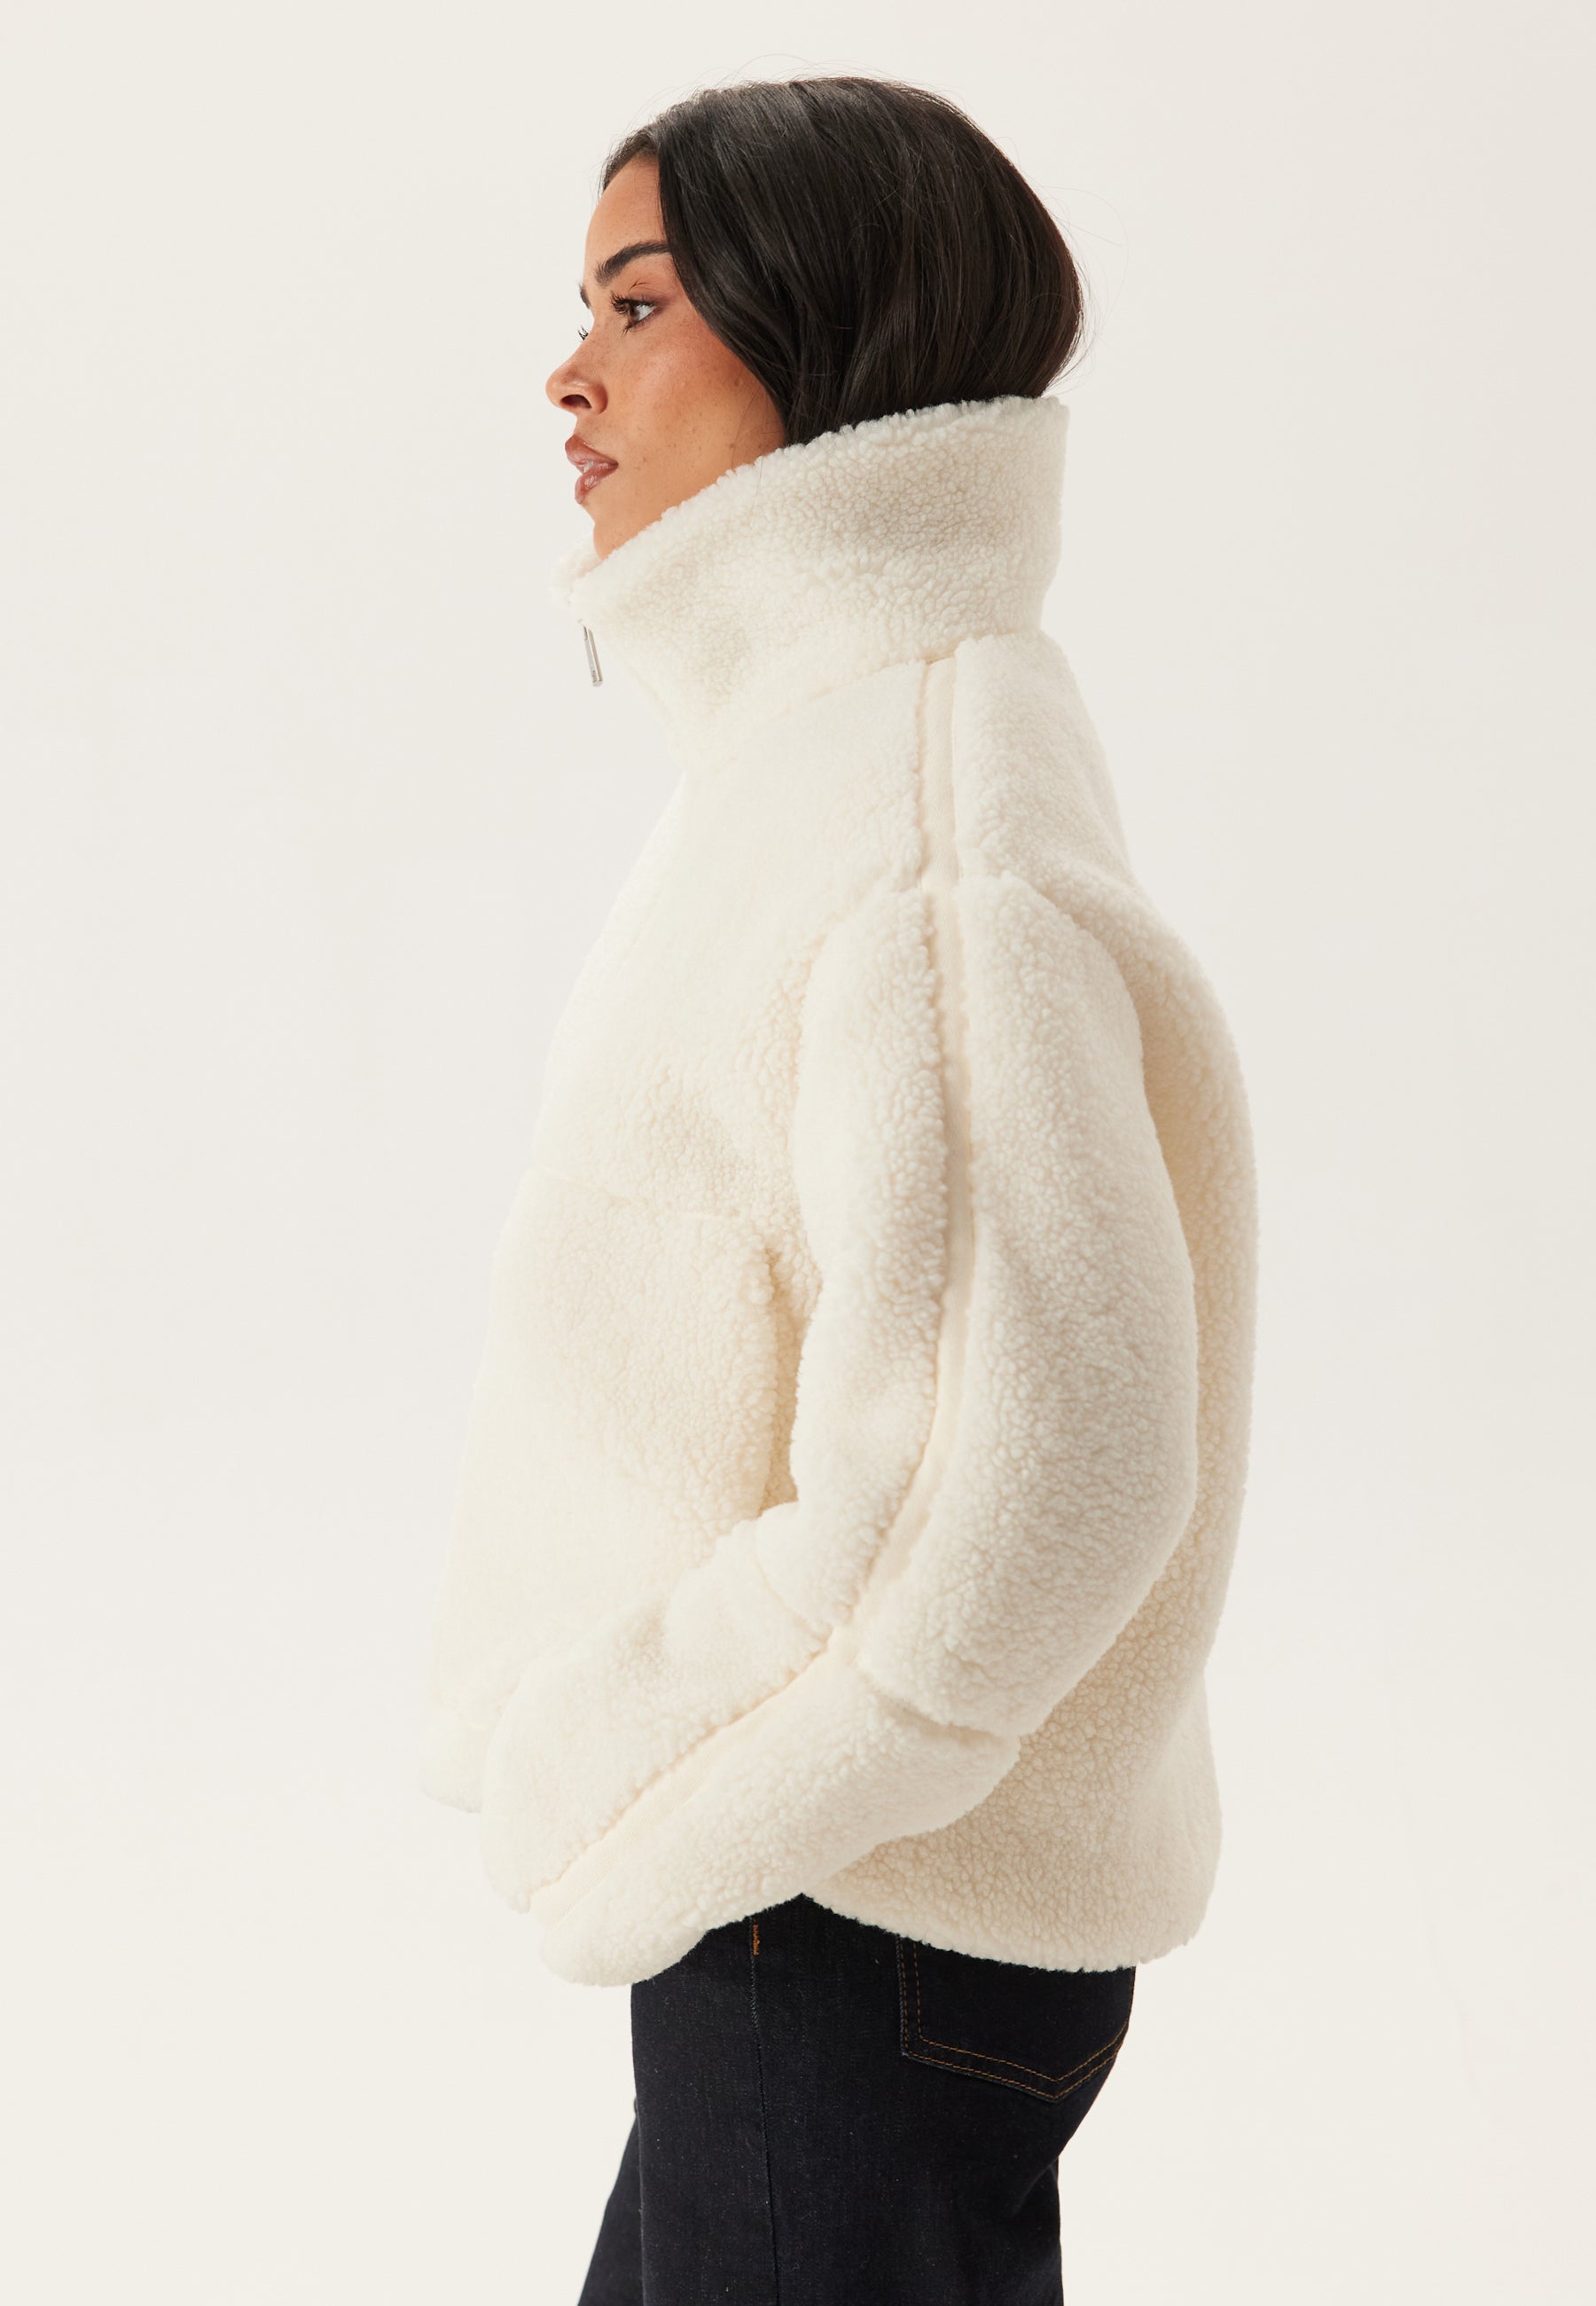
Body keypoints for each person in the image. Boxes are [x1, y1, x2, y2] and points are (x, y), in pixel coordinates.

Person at [417, 73, 1259, 2305]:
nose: (569, 375)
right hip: (826, 1901)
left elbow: (1030, 1474)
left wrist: (631, 1770)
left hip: (847, 1910)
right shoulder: (835, 761)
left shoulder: (916, 816)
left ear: (827, 327)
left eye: (637, 304)